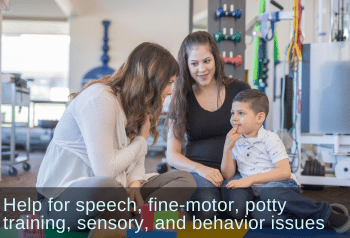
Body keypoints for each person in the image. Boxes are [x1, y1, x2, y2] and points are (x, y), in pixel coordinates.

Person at [36, 42, 196, 237]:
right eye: (169, 82)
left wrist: (135, 185)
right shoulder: (100, 99)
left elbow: (137, 159)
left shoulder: (136, 103)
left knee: (185, 180)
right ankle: (143, 224)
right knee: (108, 186)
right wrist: (141, 140)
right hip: (62, 199)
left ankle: (135, 224)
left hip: (118, 192)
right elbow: (106, 170)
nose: (171, 91)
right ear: (153, 79)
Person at [221, 89, 350, 233]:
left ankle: (326, 214)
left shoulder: (270, 139)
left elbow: (284, 172)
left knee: (270, 193)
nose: (234, 118)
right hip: (258, 193)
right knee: (261, 217)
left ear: (260, 117)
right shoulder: (235, 141)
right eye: (233, 113)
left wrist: (250, 180)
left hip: (280, 188)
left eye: (241, 113)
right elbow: (228, 174)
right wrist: (227, 148)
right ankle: (310, 212)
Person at [166, 31, 251, 220]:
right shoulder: (181, 98)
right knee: (207, 210)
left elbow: (257, 136)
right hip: (199, 172)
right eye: (194, 63)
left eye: (206, 61)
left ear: (216, 59)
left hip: (237, 170)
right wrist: (200, 169)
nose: (201, 69)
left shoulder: (241, 90)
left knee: (239, 210)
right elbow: (172, 154)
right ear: (186, 66)